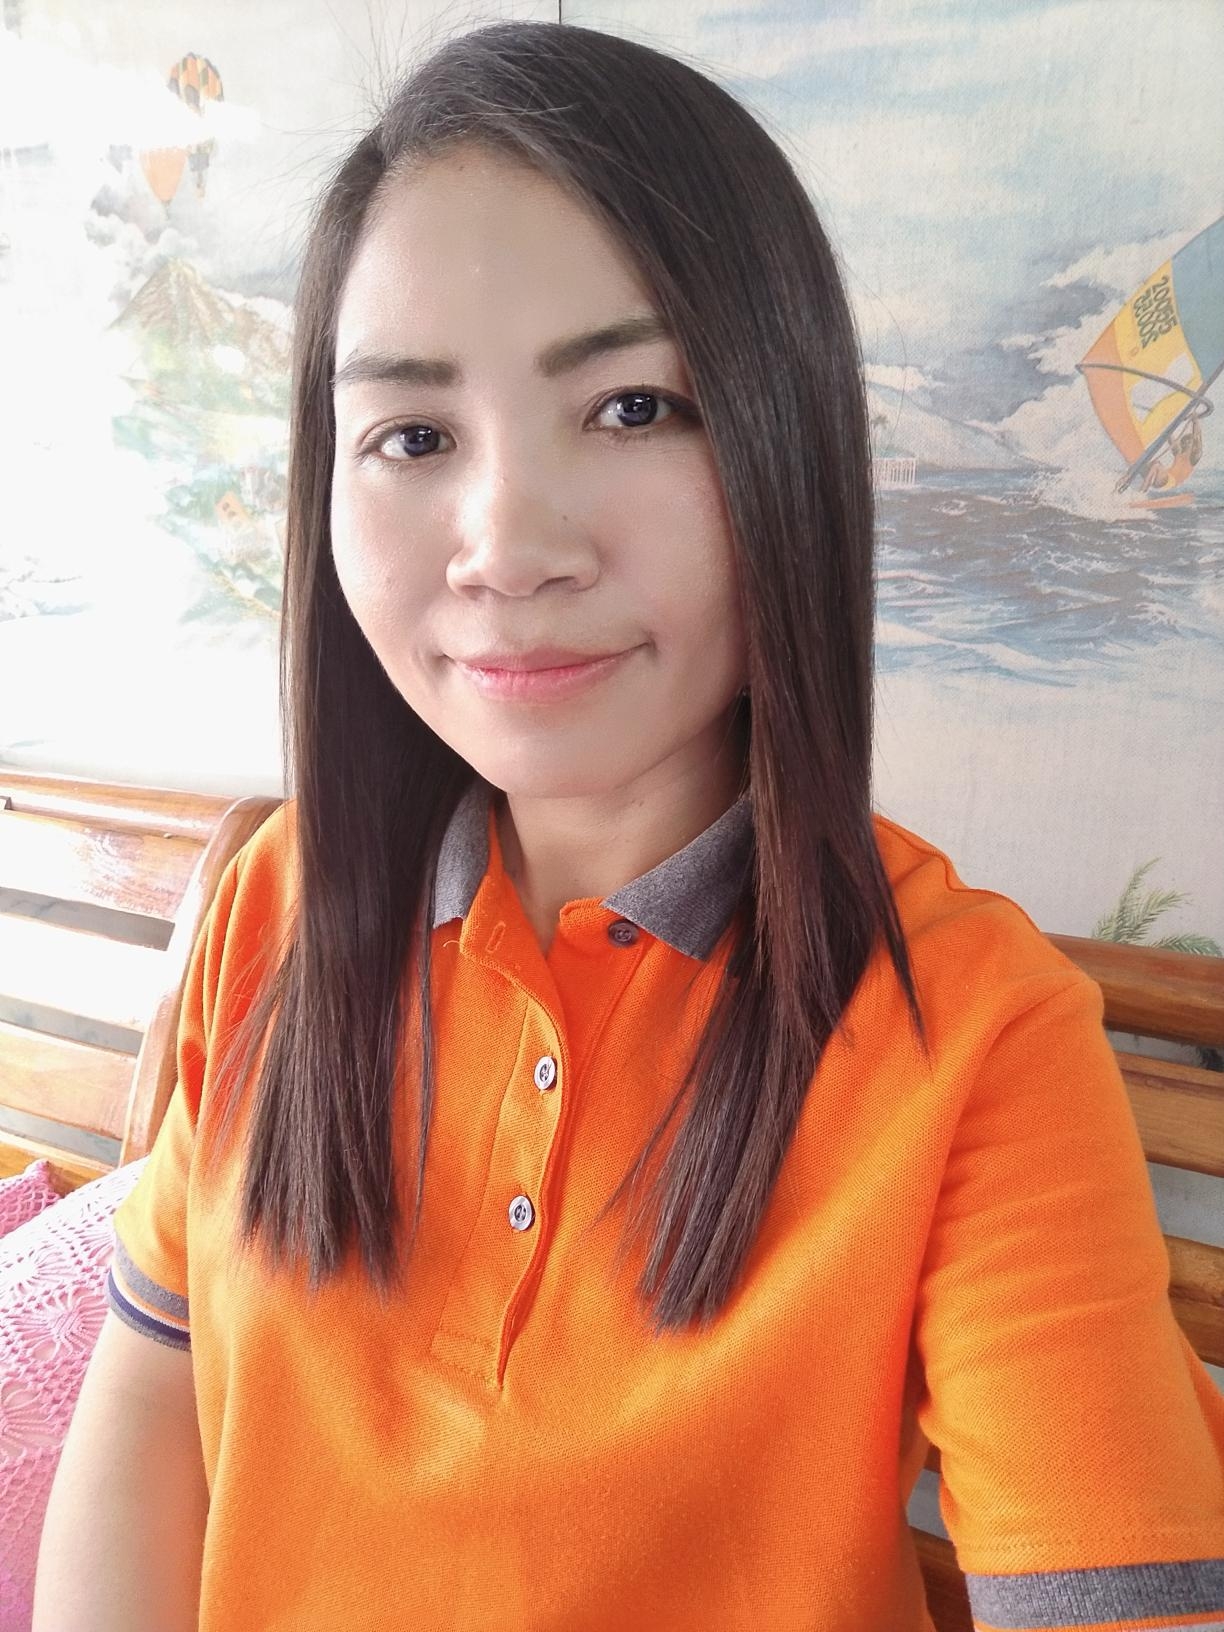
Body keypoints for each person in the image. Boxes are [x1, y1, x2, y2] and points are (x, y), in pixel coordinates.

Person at [34, 20, 1224, 1632]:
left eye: (635, 407)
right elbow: (149, 1413)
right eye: (413, 436)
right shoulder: (281, 898)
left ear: (788, 438)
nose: (508, 546)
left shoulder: (975, 1034)